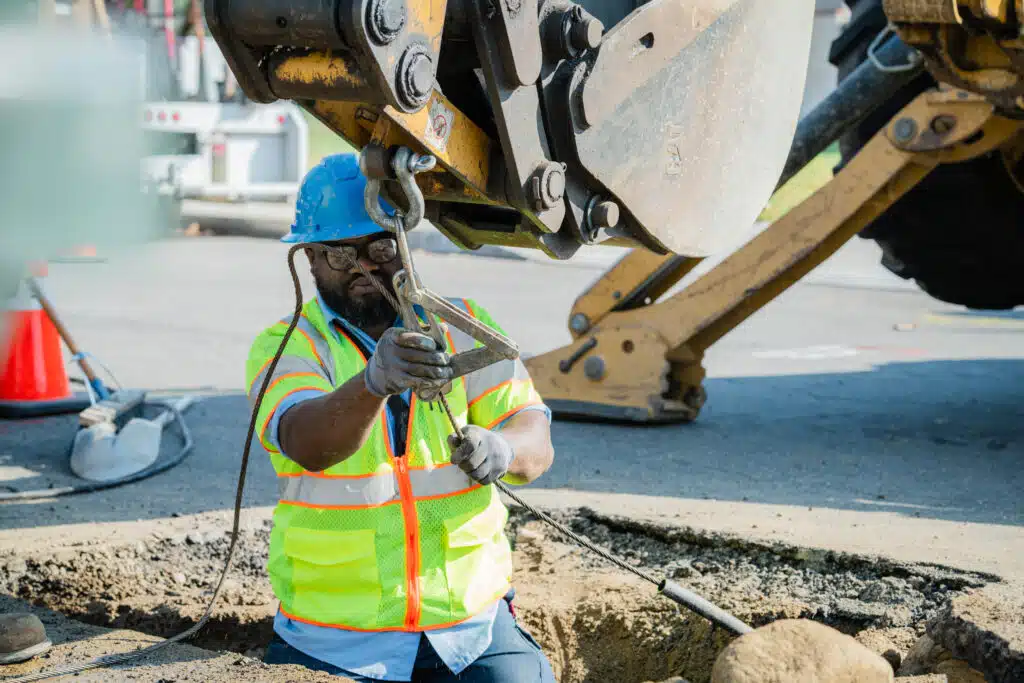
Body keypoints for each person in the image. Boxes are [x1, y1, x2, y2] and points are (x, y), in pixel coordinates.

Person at [246, 153, 557, 682]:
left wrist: (503, 449)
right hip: (334, 641)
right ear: (311, 260)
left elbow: (534, 436)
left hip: (470, 630)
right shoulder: (286, 346)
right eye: (342, 255)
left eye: (381, 247)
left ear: (406, 244)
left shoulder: (462, 325)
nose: (366, 267)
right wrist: (372, 384)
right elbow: (307, 442)